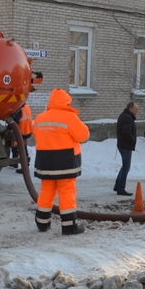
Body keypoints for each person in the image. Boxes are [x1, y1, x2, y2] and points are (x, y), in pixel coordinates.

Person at [32, 88, 90, 235]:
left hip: (45, 162)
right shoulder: (69, 117)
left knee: (46, 191)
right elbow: (83, 135)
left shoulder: (39, 118)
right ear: (66, 102)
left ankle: (42, 223)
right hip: (66, 162)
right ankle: (69, 226)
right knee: (66, 192)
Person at [113, 102, 138, 196]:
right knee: (126, 168)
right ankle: (120, 189)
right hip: (126, 146)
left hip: (122, 145)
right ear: (131, 108)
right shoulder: (128, 117)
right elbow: (126, 131)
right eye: (136, 109)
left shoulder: (124, 115)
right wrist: (132, 141)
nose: (137, 111)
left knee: (124, 167)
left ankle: (117, 186)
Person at [11, 102, 33, 172]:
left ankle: (24, 167)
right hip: (27, 130)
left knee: (21, 148)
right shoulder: (26, 106)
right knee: (19, 146)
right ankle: (16, 163)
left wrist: (9, 127)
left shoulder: (18, 107)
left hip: (21, 130)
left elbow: (15, 120)